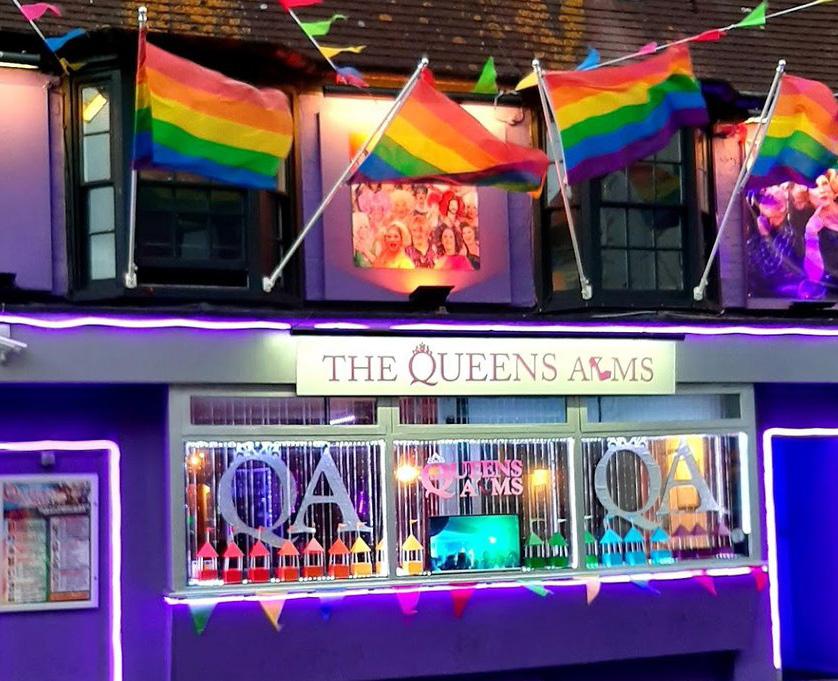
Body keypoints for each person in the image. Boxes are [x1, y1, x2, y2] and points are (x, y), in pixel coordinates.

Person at [801, 170, 838, 296]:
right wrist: (811, 236)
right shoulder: (811, 227)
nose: (822, 190)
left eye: (824, 184)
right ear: (808, 196)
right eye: (815, 186)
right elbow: (814, 276)